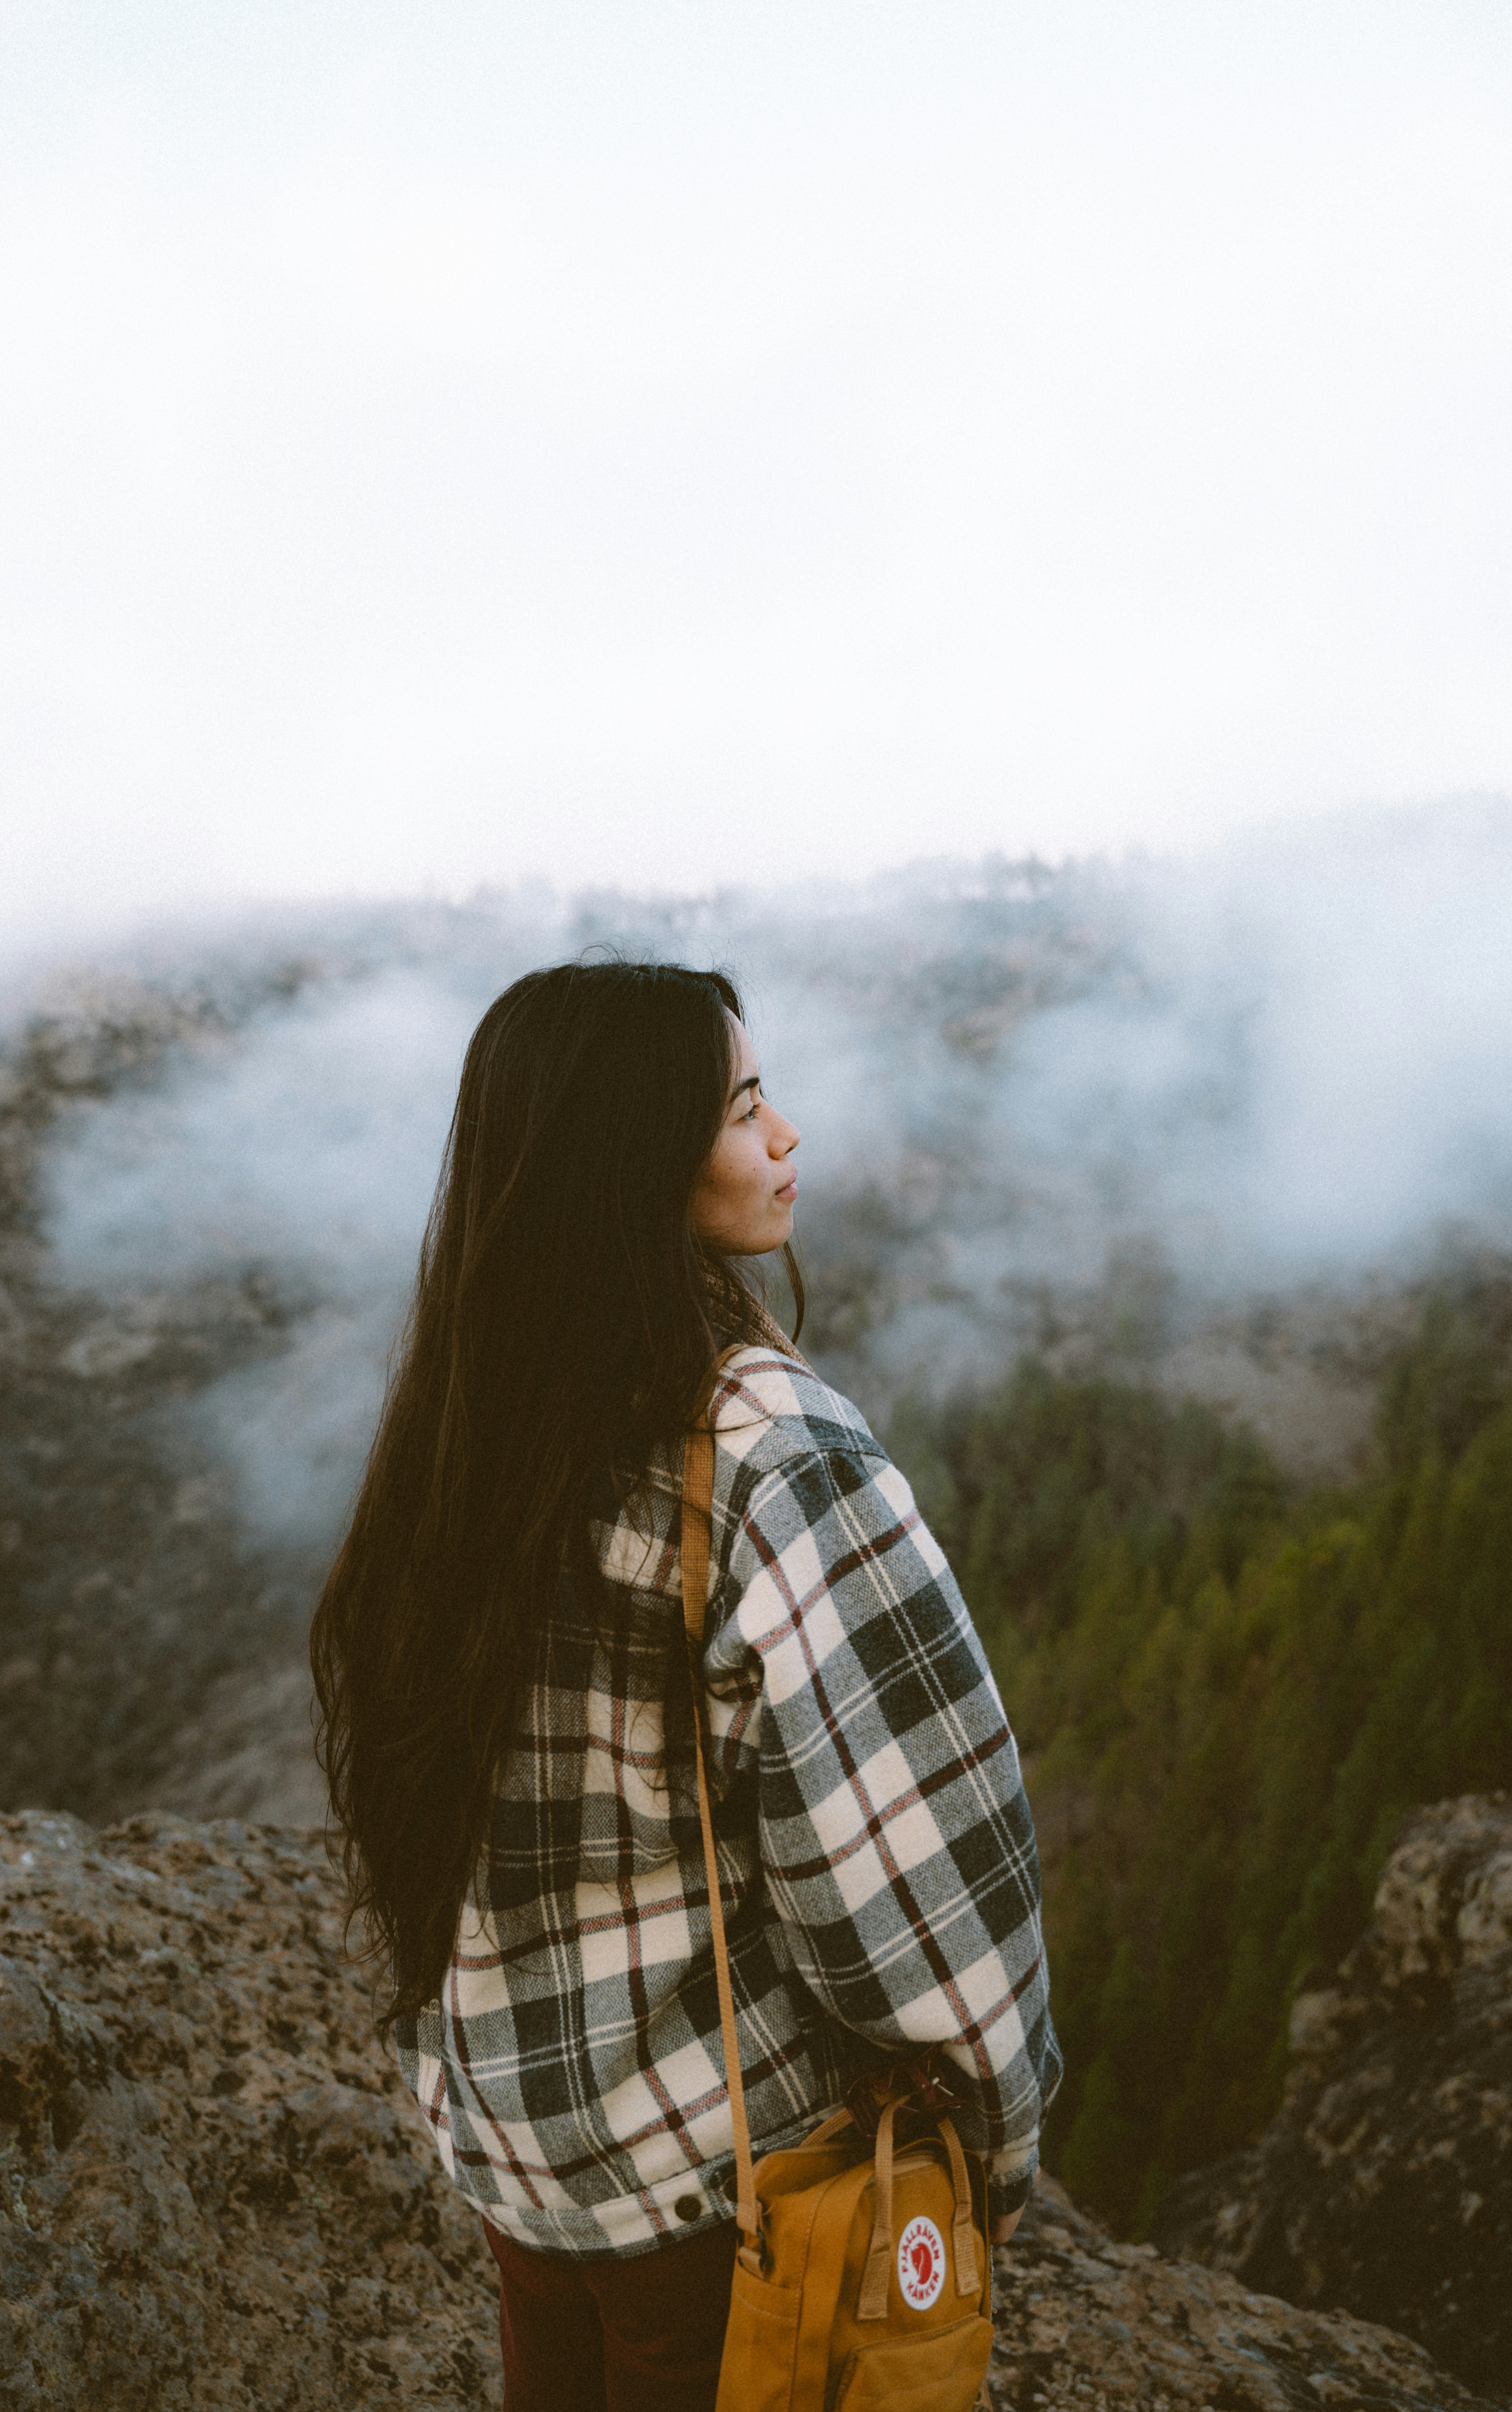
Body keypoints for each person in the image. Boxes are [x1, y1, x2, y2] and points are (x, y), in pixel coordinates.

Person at [311, 959, 1060, 2412]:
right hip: (732, 2206)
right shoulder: (770, 1448)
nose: (787, 1135)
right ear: (634, 1156)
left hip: (527, 2183)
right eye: (743, 1105)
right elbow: (915, 1870)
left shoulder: (466, 1429)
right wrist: (992, 2144)